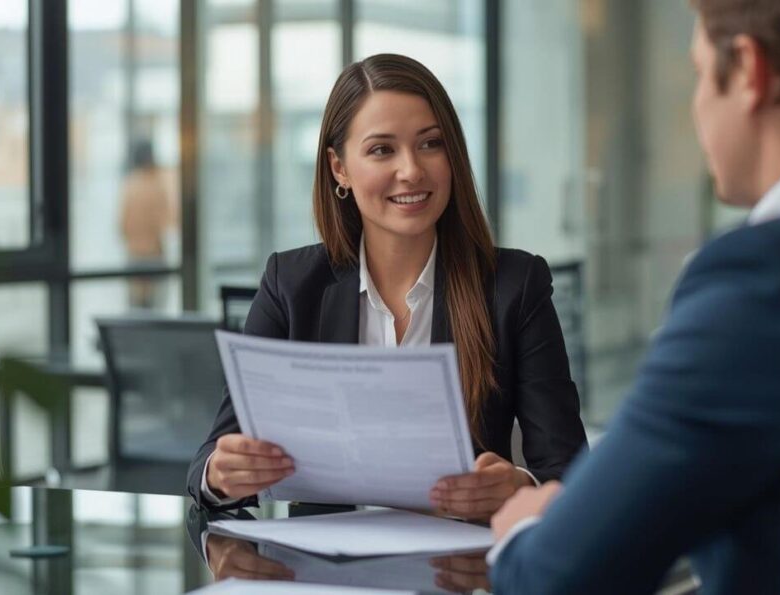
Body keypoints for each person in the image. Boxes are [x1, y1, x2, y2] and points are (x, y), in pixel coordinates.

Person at [489, 0, 780, 593]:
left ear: (750, 71)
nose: (698, 103)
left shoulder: (767, 278)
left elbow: (557, 578)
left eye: (703, 72)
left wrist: (527, 529)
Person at [186, 54, 587, 520]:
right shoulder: (291, 285)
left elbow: (570, 473)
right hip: (321, 572)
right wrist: (222, 473)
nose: (412, 170)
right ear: (339, 168)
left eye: (431, 144)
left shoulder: (514, 287)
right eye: (382, 150)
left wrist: (519, 487)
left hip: (459, 573)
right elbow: (208, 464)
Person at [119, 139, 176, 308]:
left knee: (136, 314)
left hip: (134, 258)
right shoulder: (157, 186)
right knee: (157, 315)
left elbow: (122, 225)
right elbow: (167, 222)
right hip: (154, 257)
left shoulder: (129, 185)